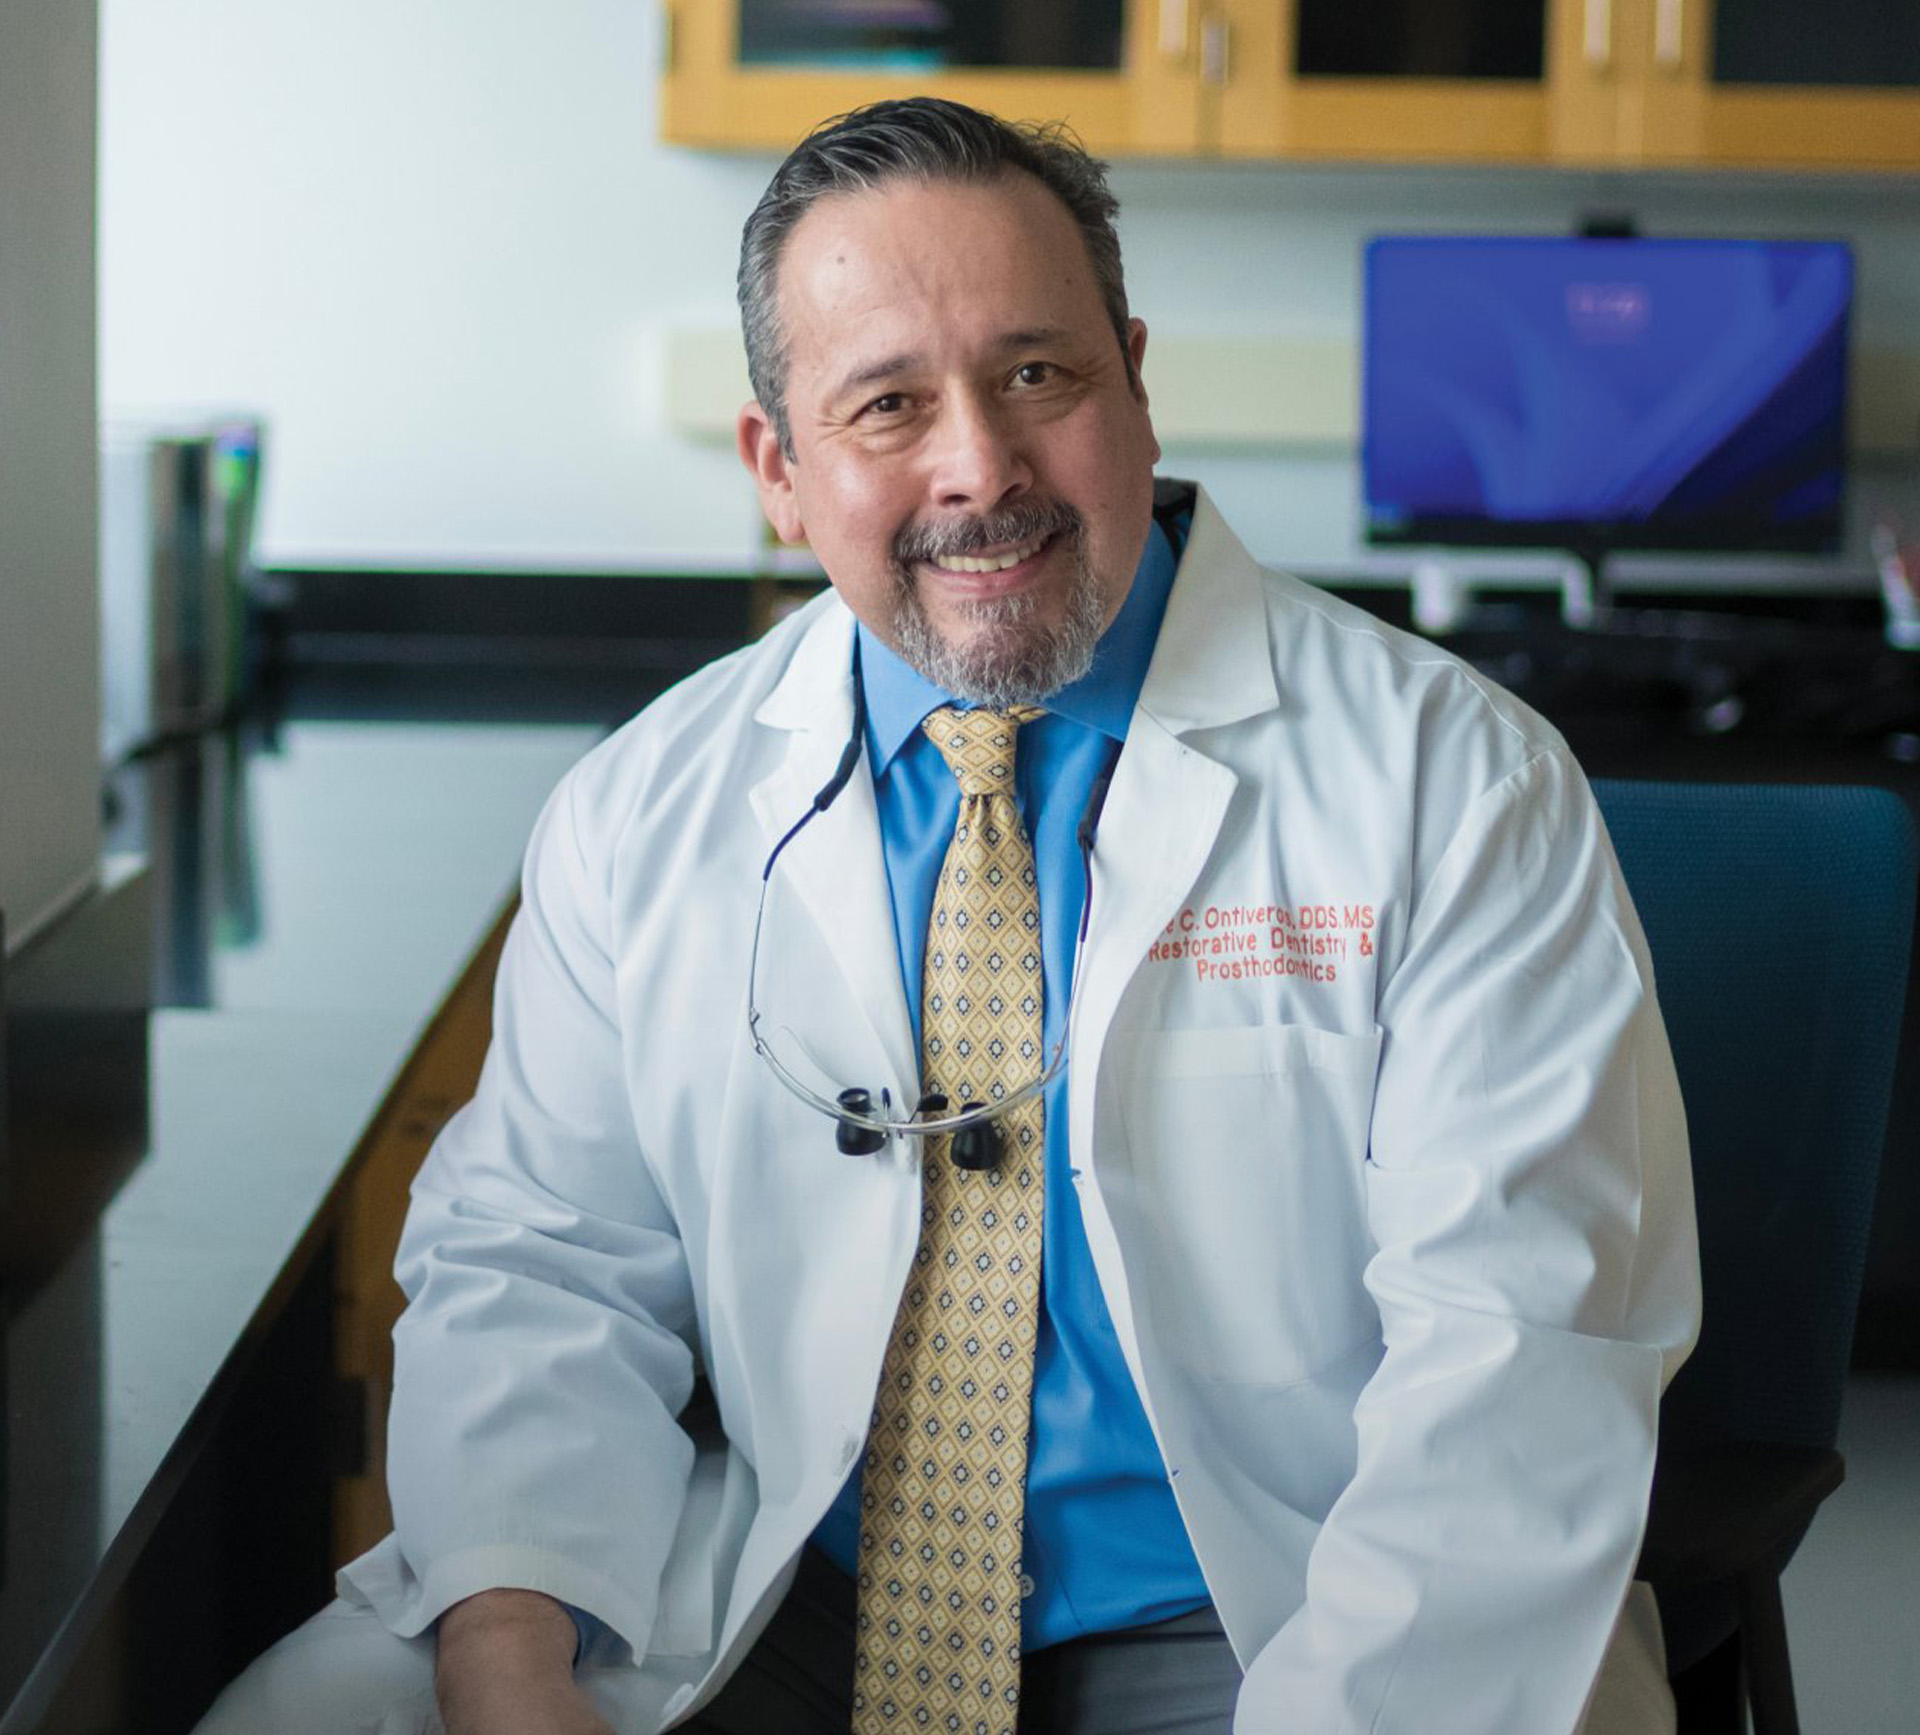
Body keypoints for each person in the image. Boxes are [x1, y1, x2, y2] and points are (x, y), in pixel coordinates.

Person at [197, 98, 1699, 1735]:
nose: (979, 465)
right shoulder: (645, 805)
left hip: (1294, 1617)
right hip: (794, 1604)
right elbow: (540, 1264)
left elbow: (1520, 1350)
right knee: (309, 1714)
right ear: (780, 465)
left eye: (1038, 375)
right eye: (888, 404)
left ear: (1133, 380)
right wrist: (509, 1662)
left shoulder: (1453, 782)